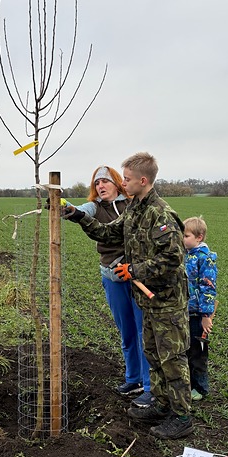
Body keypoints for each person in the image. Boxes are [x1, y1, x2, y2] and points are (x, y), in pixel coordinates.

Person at [63, 152, 193, 440]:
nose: (124, 182)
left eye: (128, 178)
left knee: (172, 358)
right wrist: (79, 216)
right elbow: (109, 234)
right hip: (146, 300)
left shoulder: (161, 215)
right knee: (154, 354)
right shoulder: (135, 209)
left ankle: (181, 416)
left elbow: (173, 258)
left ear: (143, 181)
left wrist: (135, 269)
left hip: (167, 301)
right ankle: (160, 404)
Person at [69, 166, 150, 404]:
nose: (100, 186)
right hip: (112, 277)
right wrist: (68, 210)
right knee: (126, 332)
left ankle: (148, 385)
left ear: (117, 183)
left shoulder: (133, 205)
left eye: (105, 181)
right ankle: (133, 378)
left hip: (137, 277)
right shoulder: (96, 207)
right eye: (96, 183)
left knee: (142, 331)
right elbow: (81, 211)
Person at [183, 216, 217, 401]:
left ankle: (201, 387)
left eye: (186, 235)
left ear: (199, 237)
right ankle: (189, 383)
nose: (183, 239)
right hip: (186, 311)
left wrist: (206, 315)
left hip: (198, 314)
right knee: (187, 350)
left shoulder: (205, 259)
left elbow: (208, 289)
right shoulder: (189, 255)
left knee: (198, 352)